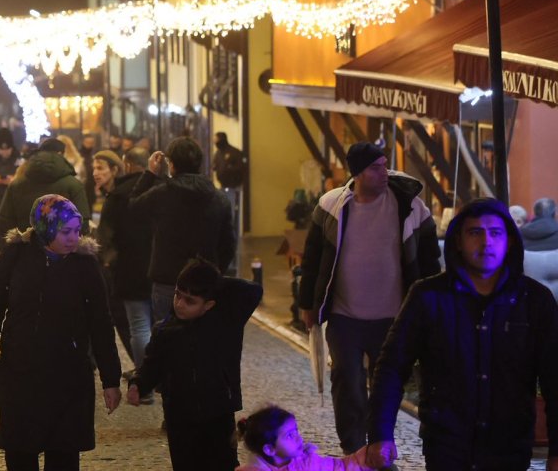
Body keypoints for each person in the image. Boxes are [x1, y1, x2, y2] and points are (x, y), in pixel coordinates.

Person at [366, 197, 558, 470]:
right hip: (446, 445)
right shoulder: (427, 296)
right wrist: (380, 434)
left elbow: (554, 378)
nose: (486, 242)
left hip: (508, 447)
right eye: (475, 232)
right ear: (458, 240)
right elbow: (391, 367)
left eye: (495, 233)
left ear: (510, 240)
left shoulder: (534, 300)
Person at [297, 142, 440, 456]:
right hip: (343, 314)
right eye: (376, 167)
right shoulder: (331, 206)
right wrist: (307, 303)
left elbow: (431, 262)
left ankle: (379, 445)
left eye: (385, 165)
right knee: (346, 380)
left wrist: (432, 309)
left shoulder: (411, 208)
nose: (384, 172)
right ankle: (353, 447)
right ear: (358, 173)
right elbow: (313, 259)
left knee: (386, 385)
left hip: (393, 317)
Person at [0, 195, 122, 471]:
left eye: (77, 231)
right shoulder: (16, 256)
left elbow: (101, 323)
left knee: (64, 454)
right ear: (45, 228)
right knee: (20, 453)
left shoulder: (85, 264)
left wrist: (110, 379)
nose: (73, 239)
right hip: (21, 372)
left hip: (69, 375)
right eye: (66, 231)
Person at [126, 260, 263, 470]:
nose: (180, 303)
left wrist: (212, 280)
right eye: (177, 295)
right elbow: (152, 365)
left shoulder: (226, 323)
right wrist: (138, 384)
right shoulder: (165, 331)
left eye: (190, 301)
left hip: (218, 412)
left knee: (223, 463)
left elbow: (252, 290)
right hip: (179, 416)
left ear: (209, 304)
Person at [122, 137, 236, 326]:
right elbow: (228, 245)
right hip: (204, 281)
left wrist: (150, 173)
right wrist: (215, 271)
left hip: (167, 281)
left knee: (167, 342)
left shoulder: (162, 194)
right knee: (202, 341)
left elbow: (133, 208)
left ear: (171, 164)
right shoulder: (218, 198)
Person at [100, 149, 155, 395]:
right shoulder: (163, 190)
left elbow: (106, 235)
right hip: (161, 267)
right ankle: (163, 377)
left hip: (129, 267)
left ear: (127, 165)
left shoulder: (118, 194)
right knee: (162, 324)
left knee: (139, 326)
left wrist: (108, 260)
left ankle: (145, 383)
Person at [0, 138, 91, 252]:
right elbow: (82, 225)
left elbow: (4, 222)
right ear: (61, 155)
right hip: (63, 257)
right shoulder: (74, 185)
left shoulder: (16, 184)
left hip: (25, 254)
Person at [89, 149, 136, 373]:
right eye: (94, 168)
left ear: (115, 169)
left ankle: (144, 370)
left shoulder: (118, 196)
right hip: (120, 265)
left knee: (124, 319)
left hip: (119, 267)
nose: (95, 173)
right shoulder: (113, 195)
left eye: (100, 168)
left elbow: (113, 234)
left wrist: (106, 259)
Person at [236, 406, 368, 471]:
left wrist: (361, 459)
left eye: (296, 432)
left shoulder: (308, 463)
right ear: (269, 449)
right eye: (289, 435)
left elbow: (338, 467)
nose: (298, 438)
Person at [213, 132, 247, 234]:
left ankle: (231, 234)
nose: (214, 142)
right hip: (222, 187)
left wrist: (229, 169)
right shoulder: (218, 153)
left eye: (216, 139)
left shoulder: (234, 152)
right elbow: (215, 165)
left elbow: (241, 167)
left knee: (231, 211)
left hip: (233, 187)